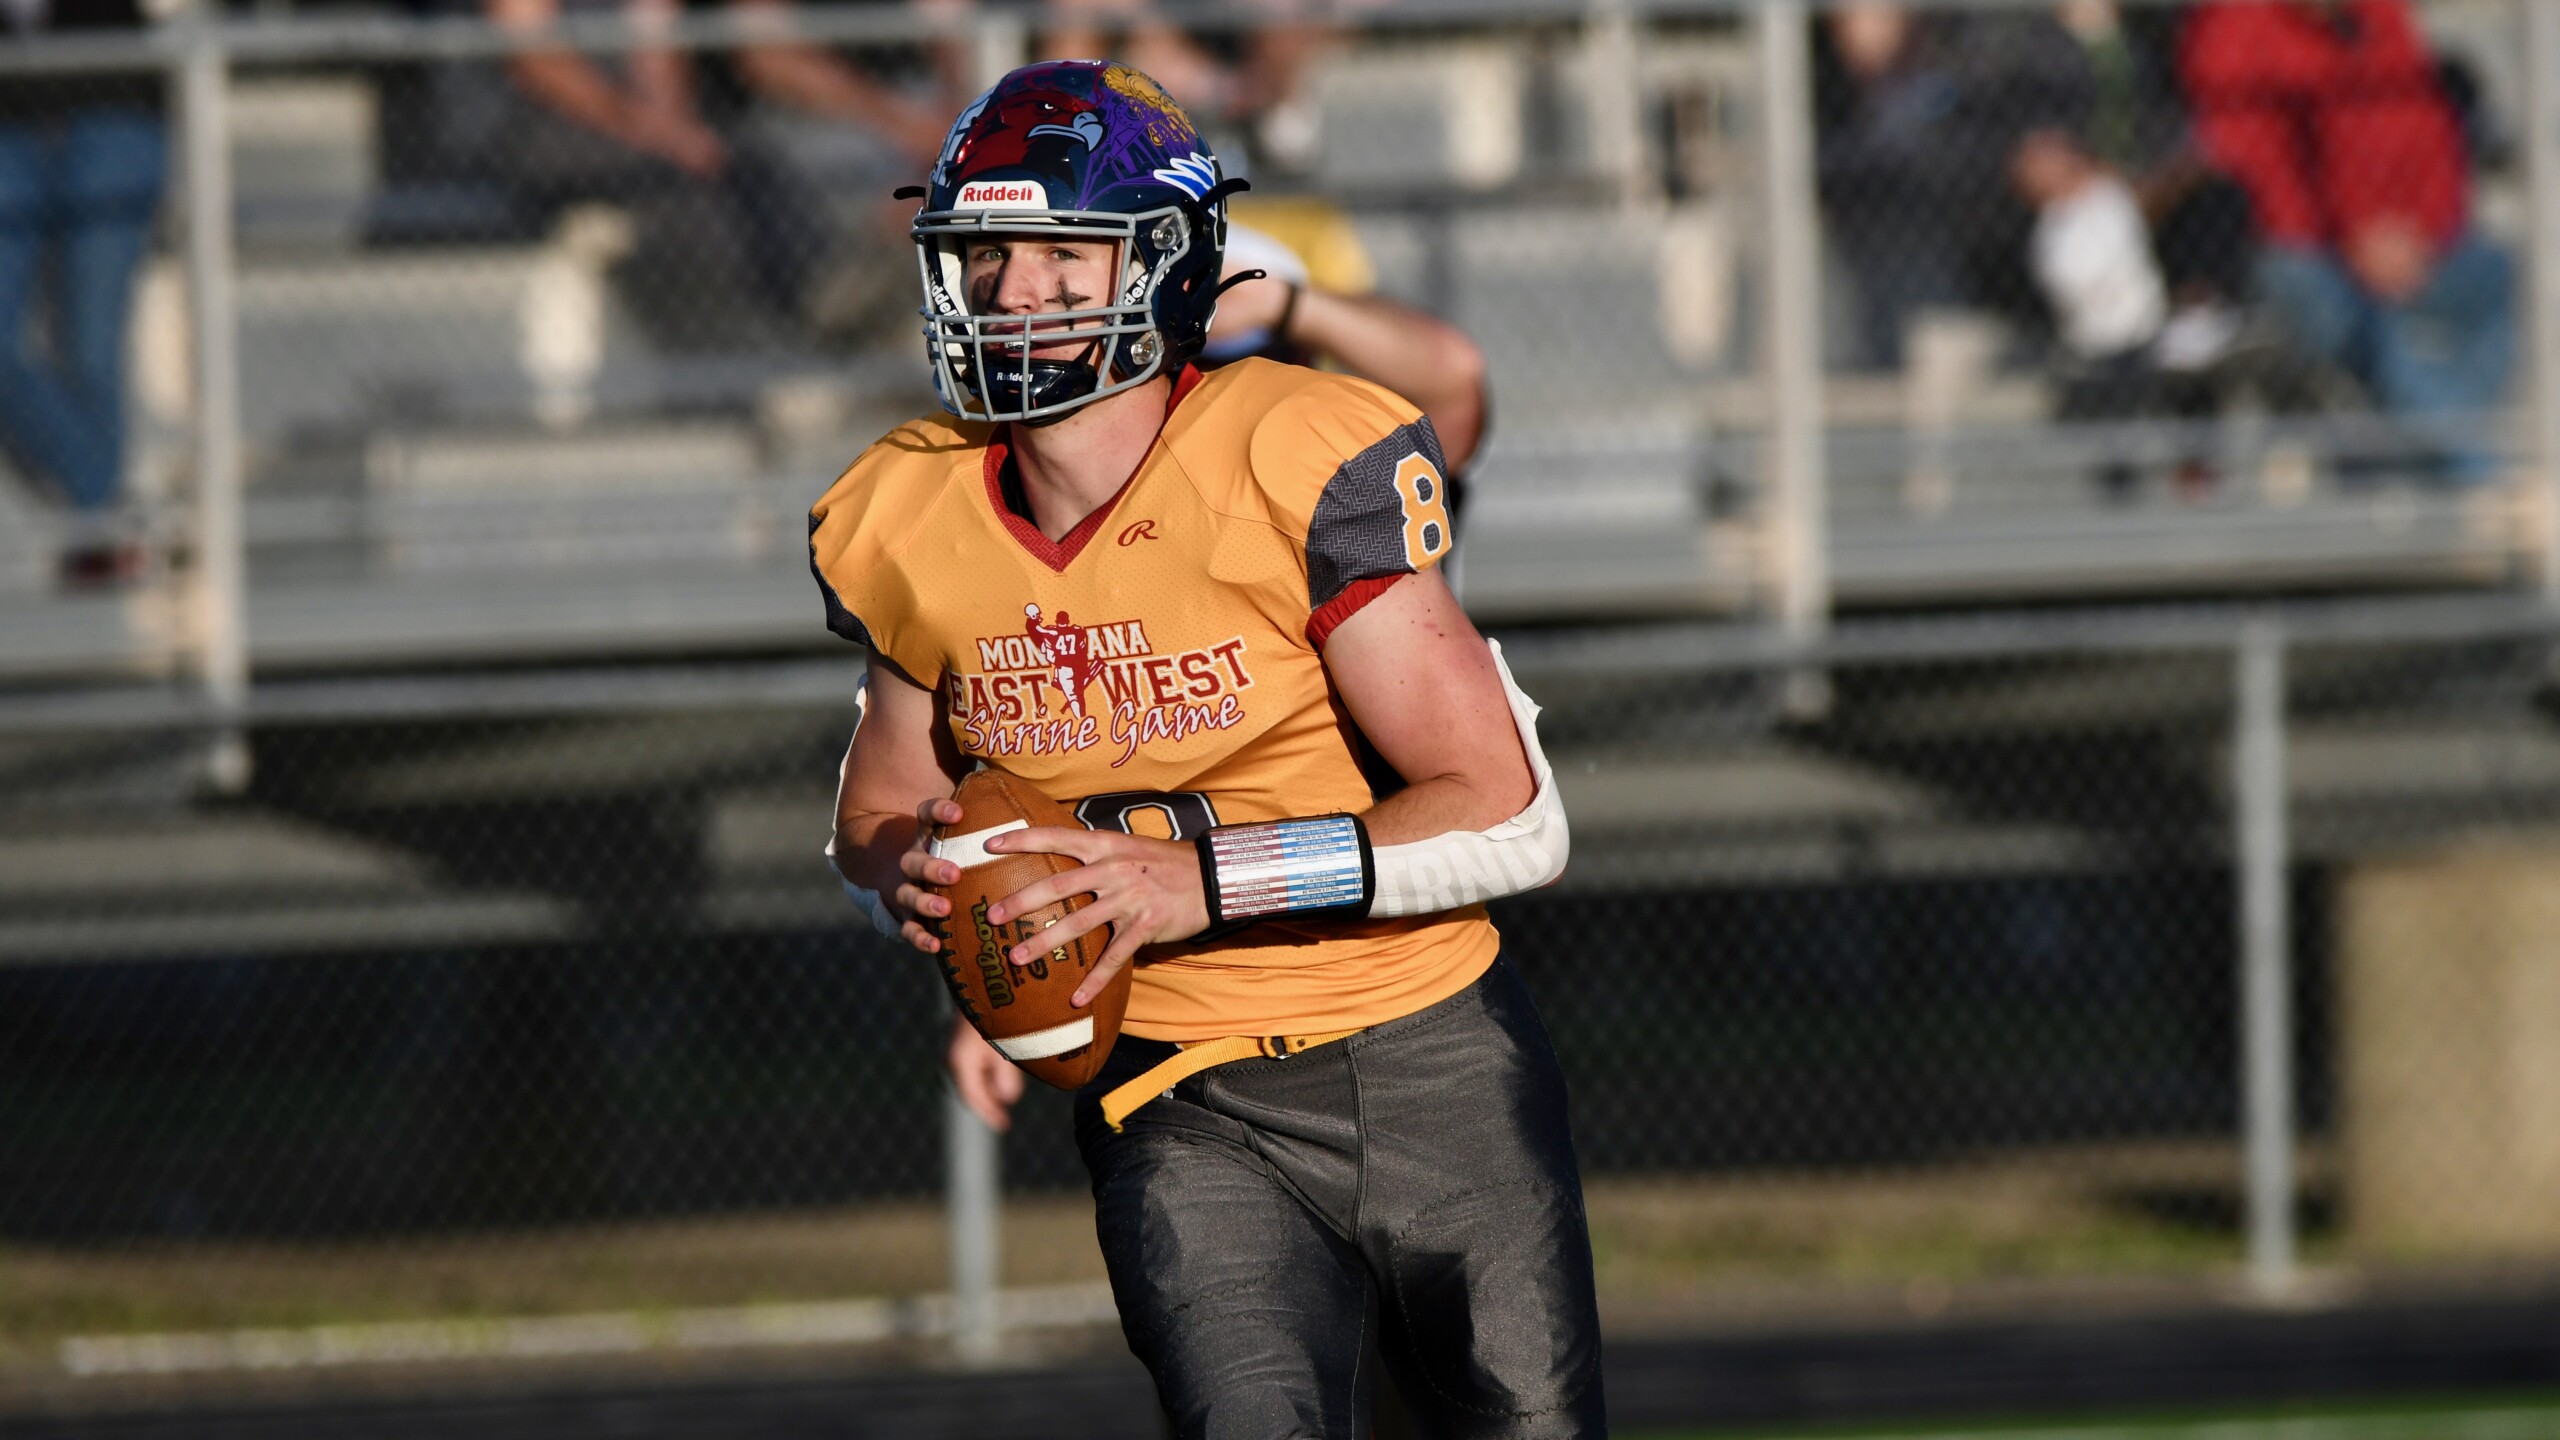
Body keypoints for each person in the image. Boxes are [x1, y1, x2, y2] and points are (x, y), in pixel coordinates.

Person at [815, 60, 1602, 1437]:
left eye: (1064, 254)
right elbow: (881, 815)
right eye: (986, 254)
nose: (1013, 293)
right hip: (1178, 1094)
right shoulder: (909, 508)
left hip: (1427, 1058)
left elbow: (1511, 817)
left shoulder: (1290, 446)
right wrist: (948, 900)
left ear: (1169, 263)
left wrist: (1194, 879)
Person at [2180, 0, 2515, 482]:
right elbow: (2247, 161)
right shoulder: (2235, 24)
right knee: (2372, 325)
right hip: (2301, 247)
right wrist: (2351, 237)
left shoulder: (2381, 17)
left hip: (2410, 242)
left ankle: (2434, 461)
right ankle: (2474, 476)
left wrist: (2419, 233)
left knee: (2503, 276)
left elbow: (2430, 134)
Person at [0, 0, 166, 587]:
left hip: (109, 105)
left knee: (91, 344)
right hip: (16, 119)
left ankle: (97, 540)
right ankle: (106, 516)